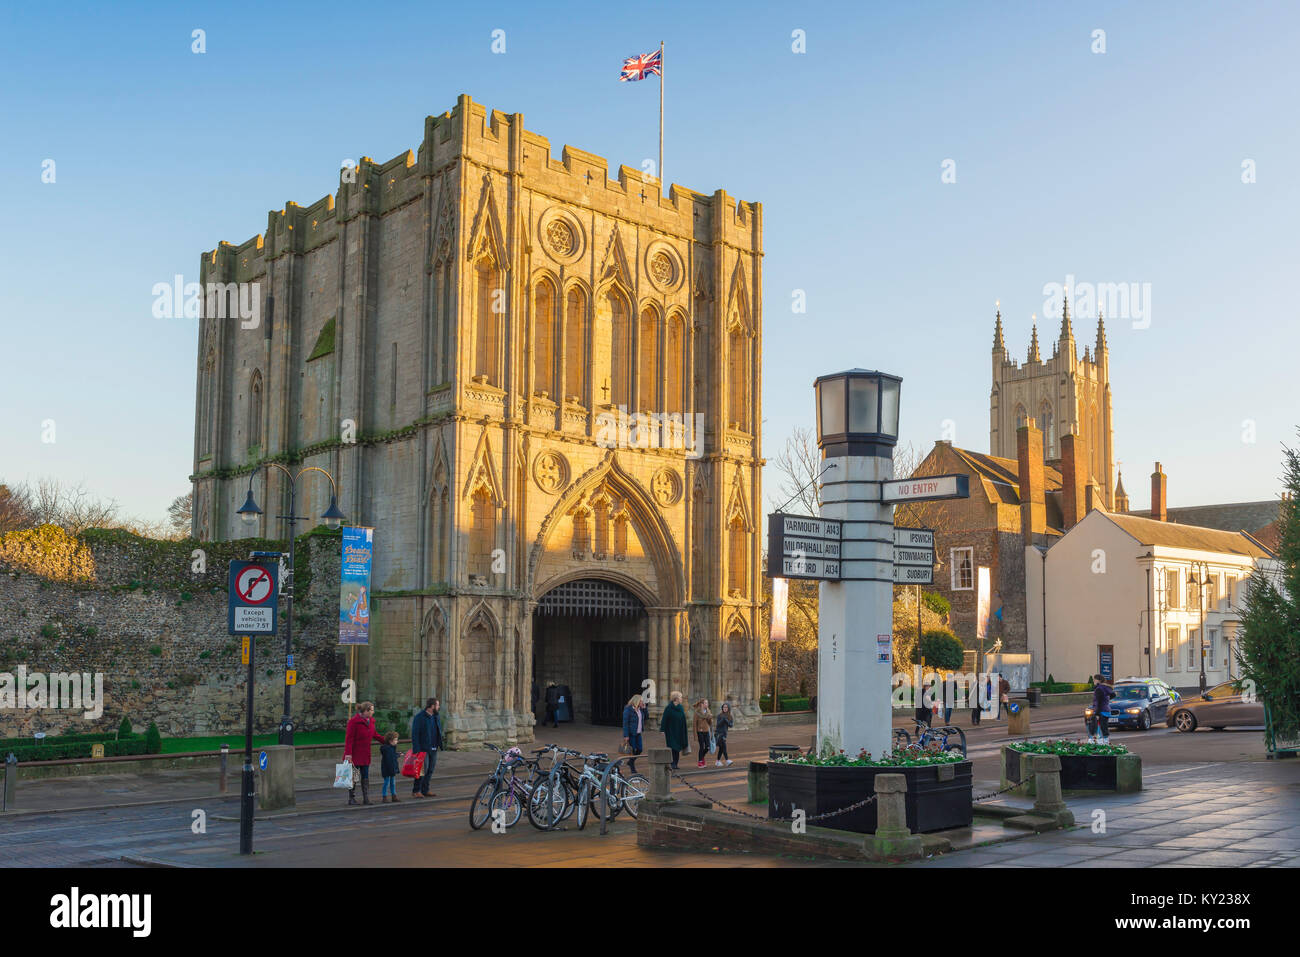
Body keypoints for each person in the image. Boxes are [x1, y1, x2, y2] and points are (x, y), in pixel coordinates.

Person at [343, 701, 386, 806]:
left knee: (365, 777)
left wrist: (387, 741)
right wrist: (348, 755)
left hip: (365, 754)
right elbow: (349, 739)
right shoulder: (353, 722)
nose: (373, 712)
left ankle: (366, 798)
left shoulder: (371, 721)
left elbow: (374, 734)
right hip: (355, 755)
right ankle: (351, 798)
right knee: (354, 777)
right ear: (365, 711)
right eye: (371, 710)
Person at [410, 697, 444, 798]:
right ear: (432, 706)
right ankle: (416, 791)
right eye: (437, 705)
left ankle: (425, 790)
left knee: (430, 770)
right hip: (423, 749)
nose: (439, 707)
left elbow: (438, 730)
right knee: (421, 771)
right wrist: (416, 749)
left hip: (433, 748)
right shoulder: (419, 717)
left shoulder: (435, 716)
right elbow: (415, 734)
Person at [659, 691, 688, 769]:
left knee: (677, 748)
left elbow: (683, 719)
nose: (681, 699)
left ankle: (675, 763)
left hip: (679, 731)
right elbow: (664, 719)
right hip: (671, 731)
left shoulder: (681, 707)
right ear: (676, 698)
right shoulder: (668, 708)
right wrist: (662, 730)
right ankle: (672, 763)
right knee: (672, 747)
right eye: (680, 697)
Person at [622, 693, 647, 772]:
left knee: (639, 749)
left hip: (638, 733)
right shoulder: (628, 709)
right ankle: (632, 768)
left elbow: (647, 717)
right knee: (632, 751)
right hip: (631, 733)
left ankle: (630, 762)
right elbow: (625, 723)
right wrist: (626, 735)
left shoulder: (641, 709)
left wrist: (645, 708)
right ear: (637, 701)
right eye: (641, 701)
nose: (642, 703)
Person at [1091, 674, 1115, 744]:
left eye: (1095, 679)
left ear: (1098, 680)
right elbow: (1113, 694)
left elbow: (1098, 702)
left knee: (1101, 727)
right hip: (1106, 710)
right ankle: (1104, 741)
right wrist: (1106, 701)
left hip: (1101, 711)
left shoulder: (1099, 689)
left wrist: (1097, 713)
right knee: (1104, 726)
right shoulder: (1105, 687)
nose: (1094, 681)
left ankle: (1102, 741)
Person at [379, 731, 400, 803]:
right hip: (387, 769)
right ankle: (384, 797)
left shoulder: (392, 748)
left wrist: (397, 754)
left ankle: (394, 796)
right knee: (387, 783)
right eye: (396, 740)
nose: (397, 741)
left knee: (392, 783)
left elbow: (392, 757)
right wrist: (396, 755)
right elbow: (390, 759)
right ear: (391, 741)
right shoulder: (387, 749)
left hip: (391, 769)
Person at [693, 699, 713, 769]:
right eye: (705, 703)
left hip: (706, 731)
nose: (707, 704)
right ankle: (700, 761)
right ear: (702, 704)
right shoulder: (697, 712)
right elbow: (694, 724)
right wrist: (695, 735)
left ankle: (701, 757)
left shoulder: (708, 711)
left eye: (707, 703)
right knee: (702, 747)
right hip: (700, 732)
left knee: (707, 747)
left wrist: (710, 718)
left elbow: (710, 723)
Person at [715, 702, 734, 767]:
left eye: (726, 707)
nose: (725, 708)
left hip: (724, 734)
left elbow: (731, 725)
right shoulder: (719, 716)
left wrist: (726, 720)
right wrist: (723, 719)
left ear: (728, 708)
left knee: (721, 748)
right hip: (719, 734)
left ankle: (717, 761)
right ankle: (727, 760)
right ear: (722, 708)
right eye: (724, 707)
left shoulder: (730, 716)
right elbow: (718, 725)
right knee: (724, 747)